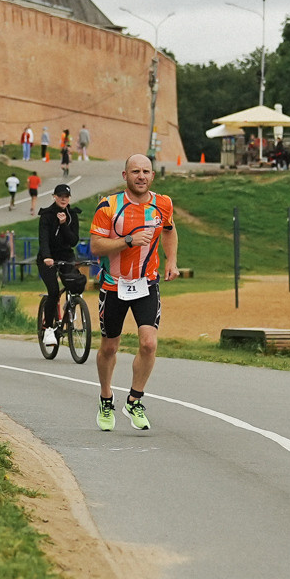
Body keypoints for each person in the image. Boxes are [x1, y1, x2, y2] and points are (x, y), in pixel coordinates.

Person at [88, 154, 177, 432]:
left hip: (146, 283)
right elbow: (96, 246)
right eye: (135, 171)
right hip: (114, 284)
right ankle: (106, 398)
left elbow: (170, 231)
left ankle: (135, 400)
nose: (141, 176)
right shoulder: (109, 205)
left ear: (152, 176)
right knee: (109, 346)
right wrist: (127, 241)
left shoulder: (163, 204)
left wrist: (171, 261)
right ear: (125, 175)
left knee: (149, 343)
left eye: (146, 171)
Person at [35, 182, 81, 345]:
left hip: (66, 256)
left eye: (66, 196)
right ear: (54, 197)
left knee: (76, 283)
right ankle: (48, 329)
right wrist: (47, 257)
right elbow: (44, 238)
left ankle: (72, 307)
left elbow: (74, 241)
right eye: (60, 196)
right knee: (53, 292)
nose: (63, 199)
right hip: (48, 258)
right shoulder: (47, 215)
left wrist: (63, 225)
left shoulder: (72, 215)